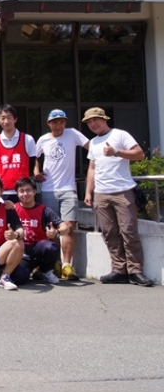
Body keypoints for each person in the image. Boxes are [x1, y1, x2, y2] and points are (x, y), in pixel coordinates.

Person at [83, 107, 152, 286]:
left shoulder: (120, 135)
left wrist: (117, 152)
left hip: (123, 191)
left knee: (129, 231)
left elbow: (140, 154)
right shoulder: (93, 142)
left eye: (95, 120)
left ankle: (135, 271)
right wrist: (88, 191)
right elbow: (92, 168)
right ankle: (119, 269)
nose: (93, 124)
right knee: (109, 232)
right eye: (89, 122)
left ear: (104, 119)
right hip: (101, 193)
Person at [34, 109, 89, 280]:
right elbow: (34, 156)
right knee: (52, 228)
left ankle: (67, 265)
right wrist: (36, 170)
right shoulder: (43, 139)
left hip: (68, 188)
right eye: (55, 122)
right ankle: (55, 263)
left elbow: (91, 147)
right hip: (48, 189)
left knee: (69, 227)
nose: (58, 125)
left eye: (62, 122)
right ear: (48, 123)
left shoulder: (72, 134)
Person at [14, 177, 66, 285]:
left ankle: (46, 271)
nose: (25, 194)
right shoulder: (13, 209)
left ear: (34, 191)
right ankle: (31, 272)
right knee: (19, 278)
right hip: (21, 251)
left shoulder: (45, 210)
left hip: (39, 248)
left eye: (28, 190)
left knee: (52, 247)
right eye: (21, 191)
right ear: (17, 193)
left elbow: (65, 227)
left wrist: (57, 233)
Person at [0, 104, 37, 202]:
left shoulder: (27, 139)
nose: (6, 121)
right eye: (3, 118)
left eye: (9, 117)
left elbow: (32, 163)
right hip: (2, 193)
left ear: (15, 119)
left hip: (23, 192)